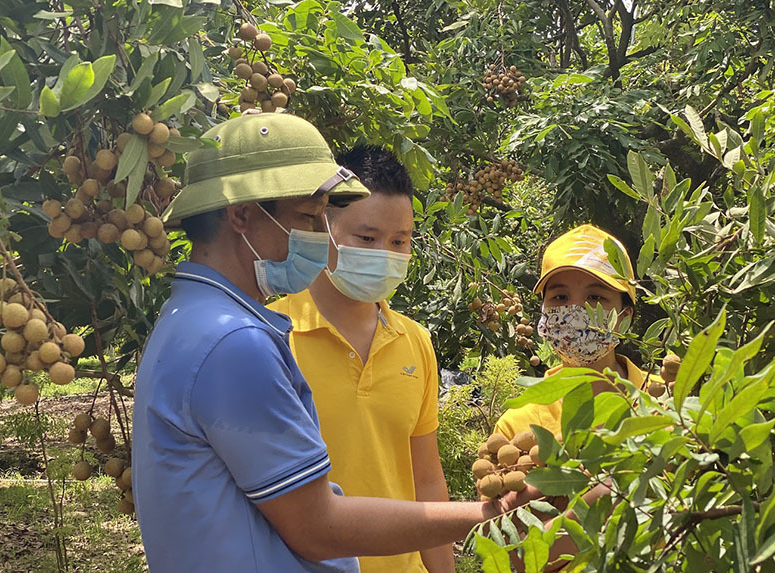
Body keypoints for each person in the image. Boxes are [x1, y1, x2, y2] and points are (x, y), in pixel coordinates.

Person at [132, 112, 540, 573]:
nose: (319, 240)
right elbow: (317, 527)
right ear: (242, 215)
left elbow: (422, 475)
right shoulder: (235, 342)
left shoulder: (191, 317)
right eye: (308, 217)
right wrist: (494, 514)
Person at [268, 146, 453, 573]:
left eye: (399, 241)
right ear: (322, 227)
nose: (384, 253)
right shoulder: (270, 335)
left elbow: (425, 477)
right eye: (366, 238)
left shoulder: (415, 341)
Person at [495, 224, 662, 572]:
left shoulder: (666, 404)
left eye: (596, 298)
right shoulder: (520, 423)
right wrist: (604, 496)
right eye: (559, 297)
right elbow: (514, 558)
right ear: (544, 315)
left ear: (625, 316)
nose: (576, 310)